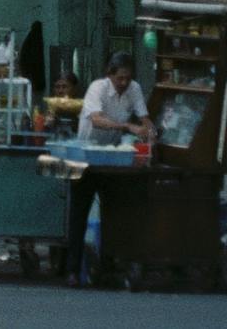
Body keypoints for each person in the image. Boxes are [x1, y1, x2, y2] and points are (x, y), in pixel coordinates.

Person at [63, 52, 156, 287]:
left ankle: (108, 265)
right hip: (86, 156)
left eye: (127, 78)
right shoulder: (98, 88)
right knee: (78, 214)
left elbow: (144, 118)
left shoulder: (134, 89)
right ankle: (72, 270)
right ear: (110, 75)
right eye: (120, 79)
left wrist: (150, 132)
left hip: (111, 157)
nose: (124, 83)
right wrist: (126, 125)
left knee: (113, 212)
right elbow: (96, 119)